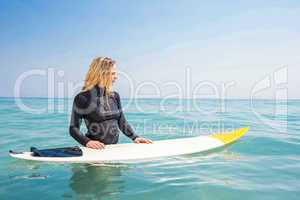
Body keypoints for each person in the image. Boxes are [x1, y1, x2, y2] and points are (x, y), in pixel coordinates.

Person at [69, 57, 152, 149]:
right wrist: (87, 142)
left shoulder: (114, 96)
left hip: (111, 150)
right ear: (101, 74)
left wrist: (135, 137)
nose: (116, 76)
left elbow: (122, 121)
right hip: (94, 150)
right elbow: (73, 128)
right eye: (113, 73)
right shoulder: (82, 98)